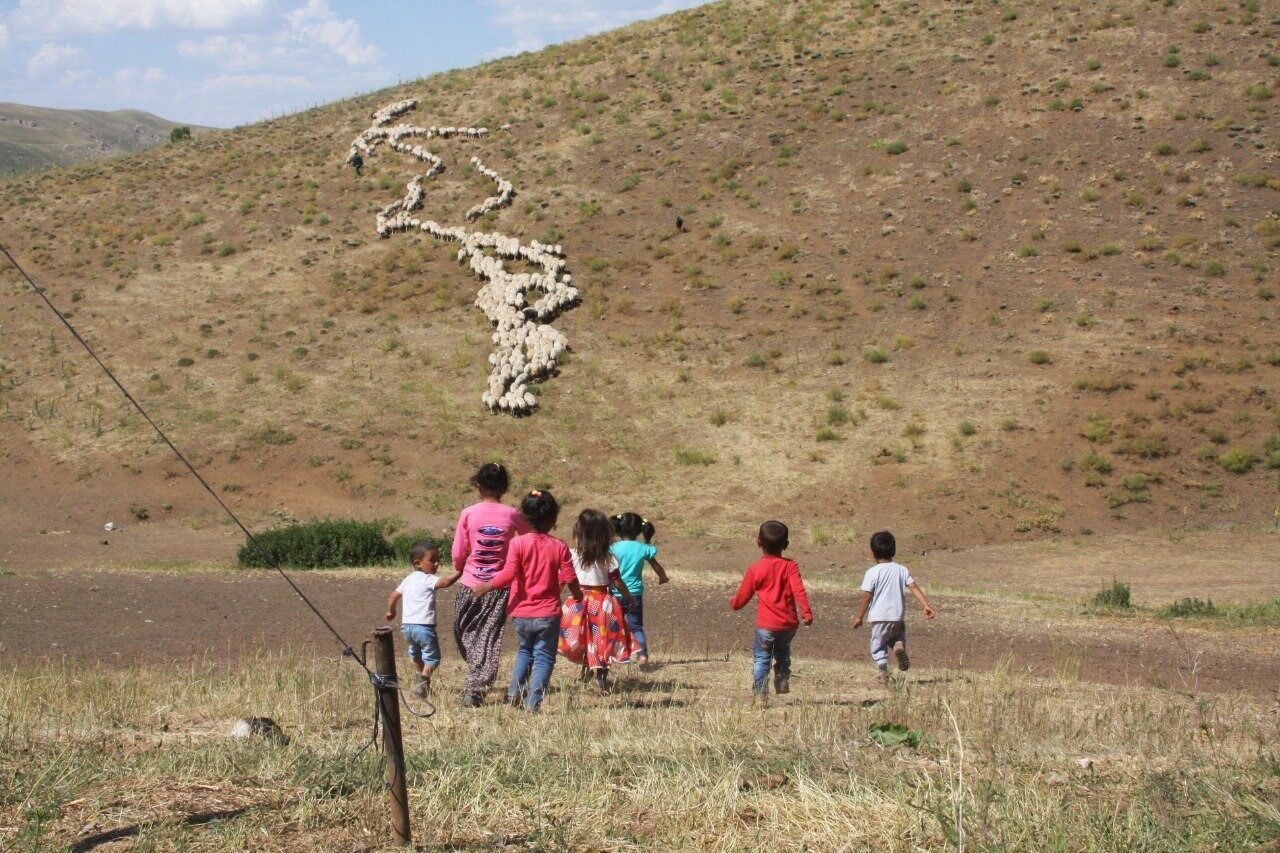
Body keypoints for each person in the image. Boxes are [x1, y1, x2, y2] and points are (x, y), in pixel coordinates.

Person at [472, 490, 582, 712]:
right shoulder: (559, 546)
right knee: (543, 658)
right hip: (548, 614)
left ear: (525, 518)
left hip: (521, 613)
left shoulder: (518, 544)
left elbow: (508, 574)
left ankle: (514, 693)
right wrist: (578, 595)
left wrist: (486, 586)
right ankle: (533, 702)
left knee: (525, 651)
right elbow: (570, 577)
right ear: (553, 520)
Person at [451, 462, 530, 707]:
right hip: (494, 586)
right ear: (504, 487)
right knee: (481, 637)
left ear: (478, 485)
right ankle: (478, 670)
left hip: (480, 584)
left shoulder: (469, 513)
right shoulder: (512, 515)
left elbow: (458, 552)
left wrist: (458, 566)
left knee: (471, 633)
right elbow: (528, 539)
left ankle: (474, 688)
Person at [729, 520, 813, 704]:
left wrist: (735, 604)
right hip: (788, 624)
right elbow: (799, 589)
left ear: (759, 542)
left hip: (766, 626)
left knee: (762, 658)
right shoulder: (791, 566)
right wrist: (806, 612)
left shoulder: (755, 569)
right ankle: (782, 676)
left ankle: (760, 693)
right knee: (783, 651)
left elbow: (743, 595)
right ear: (786, 545)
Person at [560, 509, 640, 694]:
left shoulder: (572, 555)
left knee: (584, 639)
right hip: (603, 603)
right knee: (603, 640)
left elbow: (564, 579)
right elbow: (617, 582)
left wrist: (556, 597)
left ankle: (587, 672)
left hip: (578, 602)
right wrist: (629, 598)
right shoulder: (608, 558)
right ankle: (601, 679)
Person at [852, 530, 936, 684]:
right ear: (894, 550)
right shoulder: (901, 570)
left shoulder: (872, 572)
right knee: (897, 637)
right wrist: (926, 605)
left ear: (873, 552)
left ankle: (883, 671)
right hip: (897, 617)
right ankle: (898, 646)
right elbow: (914, 587)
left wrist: (859, 616)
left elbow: (867, 596)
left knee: (878, 645)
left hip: (879, 617)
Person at [384, 540, 460, 697]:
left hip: (407, 627)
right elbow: (445, 582)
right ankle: (422, 682)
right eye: (432, 560)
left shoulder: (408, 579)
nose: (436, 564)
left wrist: (391, 612)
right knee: (433, 658)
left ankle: (423, 684)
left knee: (416, 654)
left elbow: (393, 596)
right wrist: (461, 571)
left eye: (437, 560)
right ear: (418, 563)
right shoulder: (427, 579)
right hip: (424, 627)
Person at [609, 512, 669, 664]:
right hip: (635, 593)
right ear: (638, 531)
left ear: (618, 530)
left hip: (615, 592)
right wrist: (663, 578)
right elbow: (657, 566)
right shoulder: (643, 548)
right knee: (636, 626)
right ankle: (642, 655)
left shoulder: (612, 548)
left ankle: (618, 655)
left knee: (615, 625)